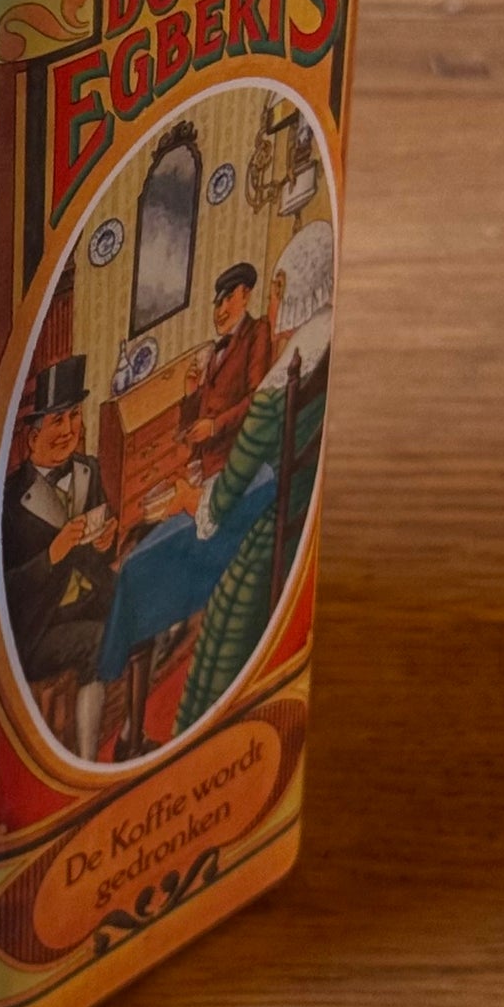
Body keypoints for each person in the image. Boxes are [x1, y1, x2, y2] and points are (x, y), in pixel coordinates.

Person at [171, 220, 335, 735]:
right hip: (293, 502)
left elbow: (232, 480)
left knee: (224, 611)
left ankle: (203, 735)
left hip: (271, 520)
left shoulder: (271, 355)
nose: (223, 308)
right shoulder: (326, 336)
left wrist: (196, 501)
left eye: (273, 291)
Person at [0, 355, 119, 761]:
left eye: (74, 416)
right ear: (32, 438)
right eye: (57, 421)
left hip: (86, 598)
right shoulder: (10, 501)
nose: (68, 430)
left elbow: (103, 550)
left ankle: (131, 728)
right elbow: (4, 590)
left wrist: (105, 544)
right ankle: (86, 758)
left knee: (138, 594)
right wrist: (53, 554)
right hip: (38, 626)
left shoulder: (89, 470)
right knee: (98, 640)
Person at [183, 260, 274, 475]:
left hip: (236, 460)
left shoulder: (257, 332)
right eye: (218, 304)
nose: (221, 311)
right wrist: (192, 393)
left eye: (229, 298)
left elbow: (257, 399)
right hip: (206, 463)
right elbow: (199, 416)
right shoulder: (215, 351)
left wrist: (214, 426)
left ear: (245, 295)